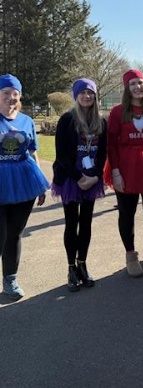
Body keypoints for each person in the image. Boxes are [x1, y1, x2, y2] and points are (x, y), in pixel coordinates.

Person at [104, 69, 143, 278]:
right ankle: (131, 255)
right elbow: (111, 144)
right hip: (126, 169)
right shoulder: (117, 112)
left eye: (140, 83)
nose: (137, 87)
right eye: (132, 84)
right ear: (126, 87)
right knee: (126, 212)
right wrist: (115, 171)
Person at [52, 78, 107, 292]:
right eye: (83, 92)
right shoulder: (67, 120)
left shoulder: (101, 121)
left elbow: (102, 154)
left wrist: (95, 177)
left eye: (90, 93)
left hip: (91, 179)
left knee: (86, 223)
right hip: (71, 179)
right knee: (71, 223)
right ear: (76, 96)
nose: (87, 96)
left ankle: (82, 264)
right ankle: (71, 268)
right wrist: (79, 178)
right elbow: (61, 155)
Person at [0, 74, 49, 301]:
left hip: (24, 181)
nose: (11, 97)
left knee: (14, 234)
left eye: (15, 93)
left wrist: (40, 183)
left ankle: (10, 279)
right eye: (6, 93)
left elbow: (32, 152)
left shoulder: (26, 121)